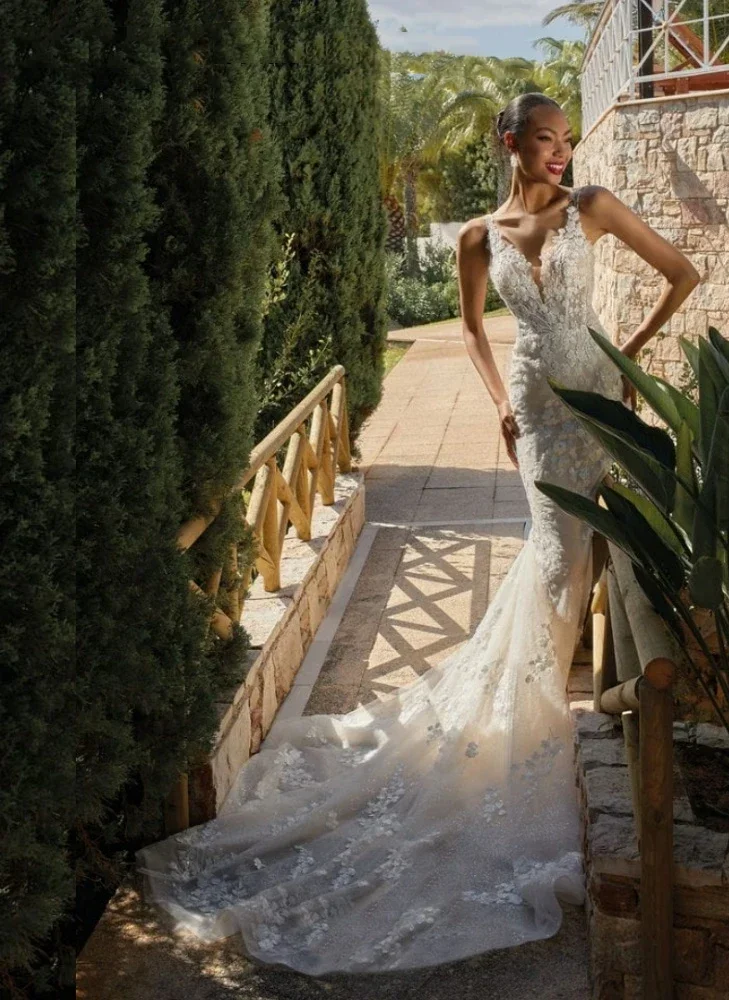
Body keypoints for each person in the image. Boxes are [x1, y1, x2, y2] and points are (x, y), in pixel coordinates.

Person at [136, 91, 700, 976]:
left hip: (601, 412)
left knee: (579, 567)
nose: (560, 153)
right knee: (558, 568)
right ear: (509, 143)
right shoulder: (479, 237)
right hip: (541, 424)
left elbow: (682, 273)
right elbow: (476, 329)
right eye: (544, 140)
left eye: (567, 141)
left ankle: (542, 719)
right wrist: (497, 405)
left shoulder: (591, 206)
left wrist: (625, 359)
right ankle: (531, 738)